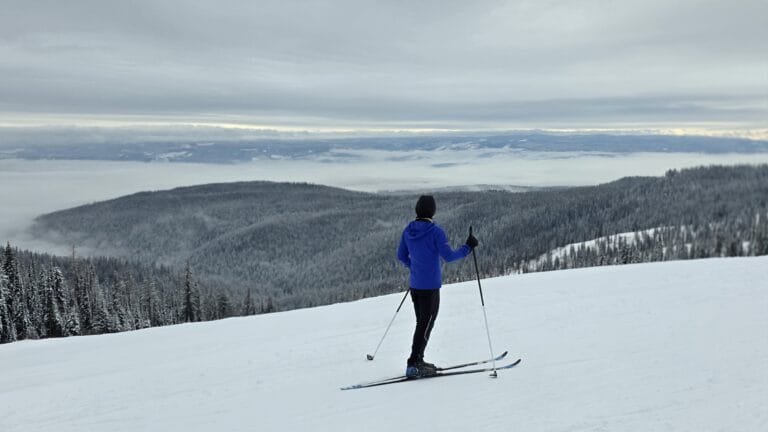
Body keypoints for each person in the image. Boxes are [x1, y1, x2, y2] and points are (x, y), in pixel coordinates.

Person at [397, 195, 479, 378]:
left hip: (415, 286)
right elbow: (449, 257)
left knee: (421, 323)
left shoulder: (408, 230)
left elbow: (401, 255)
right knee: (426, 324)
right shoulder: (435, 232)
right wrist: (468, 247)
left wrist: (415, 268)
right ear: (432, 211)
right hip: (430, 287)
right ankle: (414, 363)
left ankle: (418, 360)